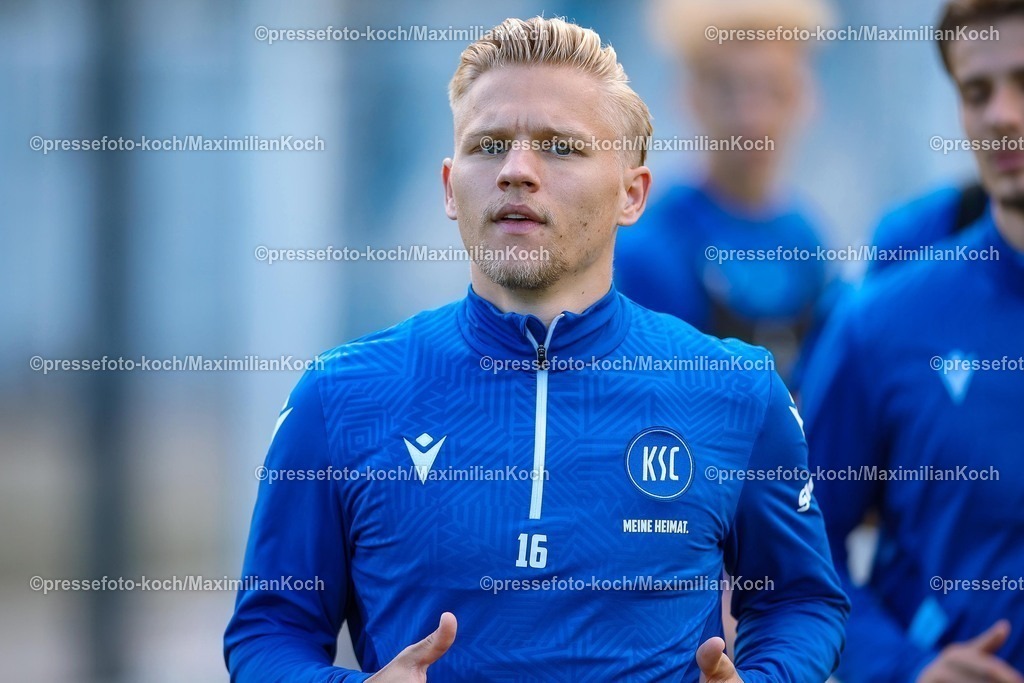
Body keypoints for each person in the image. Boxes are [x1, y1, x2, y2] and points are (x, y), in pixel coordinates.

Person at [224, 16, 848, 682]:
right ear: (448, 186)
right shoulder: (338, 395)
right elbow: (271, 628)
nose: (517, 170)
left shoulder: (739, 390)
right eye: (488, 144)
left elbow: (801, 600)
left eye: (560, 147)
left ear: (632, 193)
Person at [801, 1, 1024, 681]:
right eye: (975, 92)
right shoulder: (882, 324)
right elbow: (790, 549)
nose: (1001, 115)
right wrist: (904, 667)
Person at [615, 0, 834, 383]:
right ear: (690, 96)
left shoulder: (806, 240)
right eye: (726, 89)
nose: (751, 117)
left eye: (773, 89)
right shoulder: (651, 247)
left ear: (804, 98)